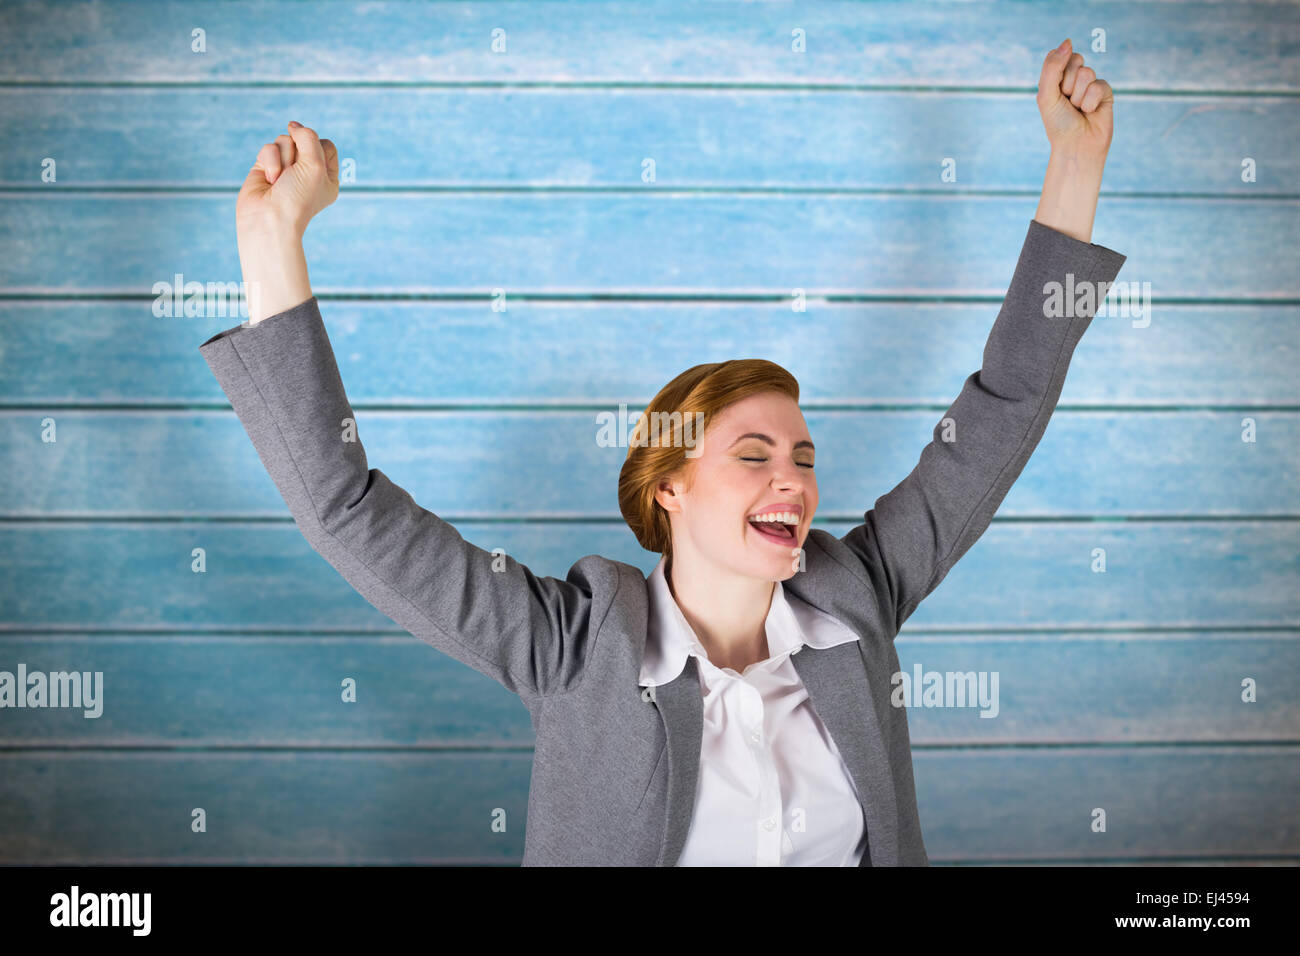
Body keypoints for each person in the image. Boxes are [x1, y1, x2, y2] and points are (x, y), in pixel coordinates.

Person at [200, 37, 1126, 865]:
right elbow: (346, 509)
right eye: (753, 454)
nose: (792, 481)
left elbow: (1004, 408)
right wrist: (272, 241)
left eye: (803, 458)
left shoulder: (858, 599)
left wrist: (1075, 168)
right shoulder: (576, 648)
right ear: (671, 488)